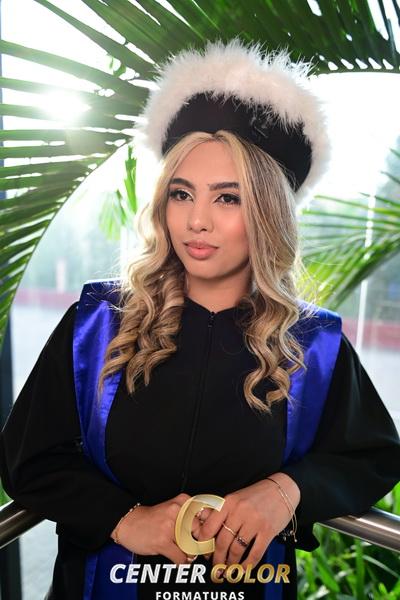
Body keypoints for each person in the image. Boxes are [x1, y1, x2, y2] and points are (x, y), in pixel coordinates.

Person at [1, 38, 399, 600]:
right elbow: (28, 459)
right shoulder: (97, 325)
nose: (197, 221)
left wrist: (286, 491)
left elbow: (370, 457)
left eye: (228, 198)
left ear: (267, 213)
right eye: (182, 194)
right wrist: (123, 519)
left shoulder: (314, 345)